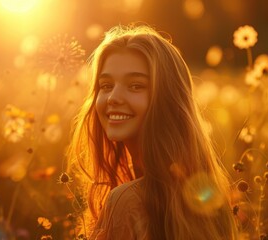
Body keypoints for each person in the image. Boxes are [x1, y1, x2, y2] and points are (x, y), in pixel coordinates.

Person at [67, 24, 239, 240]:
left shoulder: (127, 201)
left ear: (167, 99)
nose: (113, 98)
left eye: (136, 86)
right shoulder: (209, 197)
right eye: (106, 85)